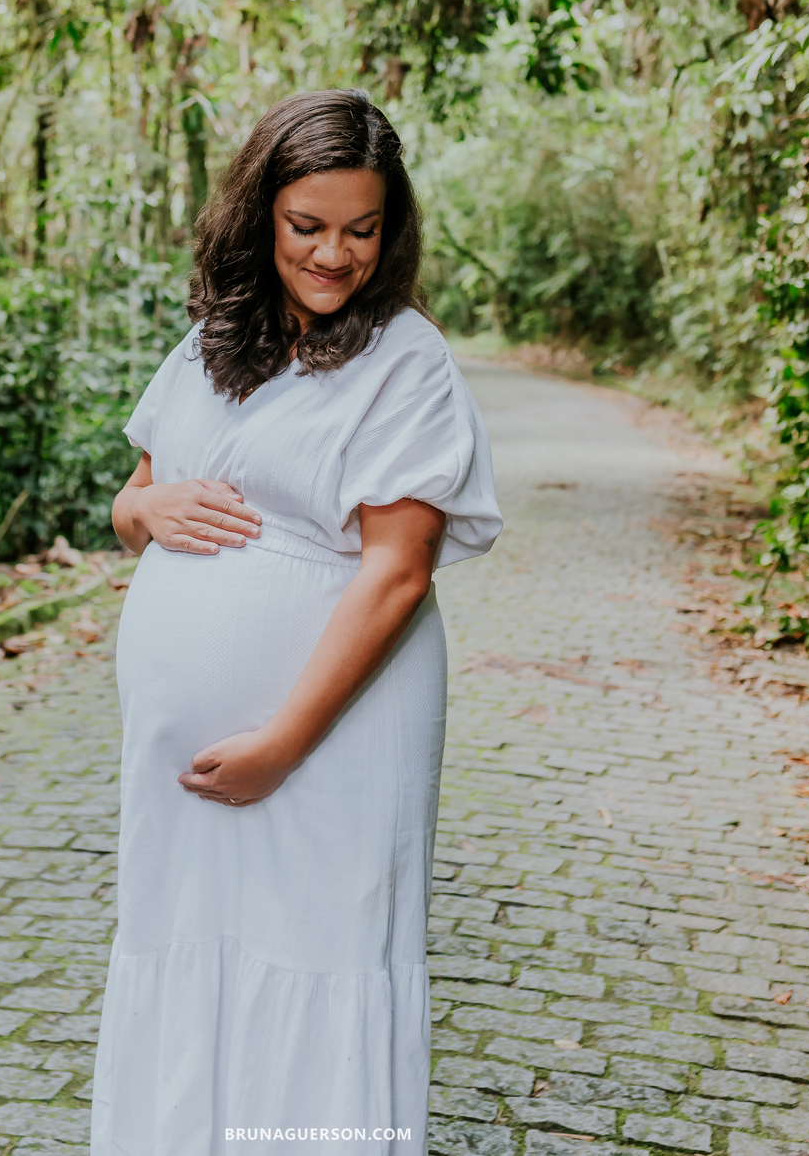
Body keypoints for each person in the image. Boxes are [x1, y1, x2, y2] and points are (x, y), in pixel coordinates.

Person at [90, 89, 502, 1156]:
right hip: (183, 770)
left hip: (334, 734)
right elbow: (132, 500)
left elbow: (398, 573)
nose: (334, 255)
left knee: (322, 947)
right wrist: (147, 507)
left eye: (362, 230)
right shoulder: (209, 343)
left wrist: (283, 742)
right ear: (258, 212)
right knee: (186, 944)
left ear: (391, 228)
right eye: (307, 226)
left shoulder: (406, 359)